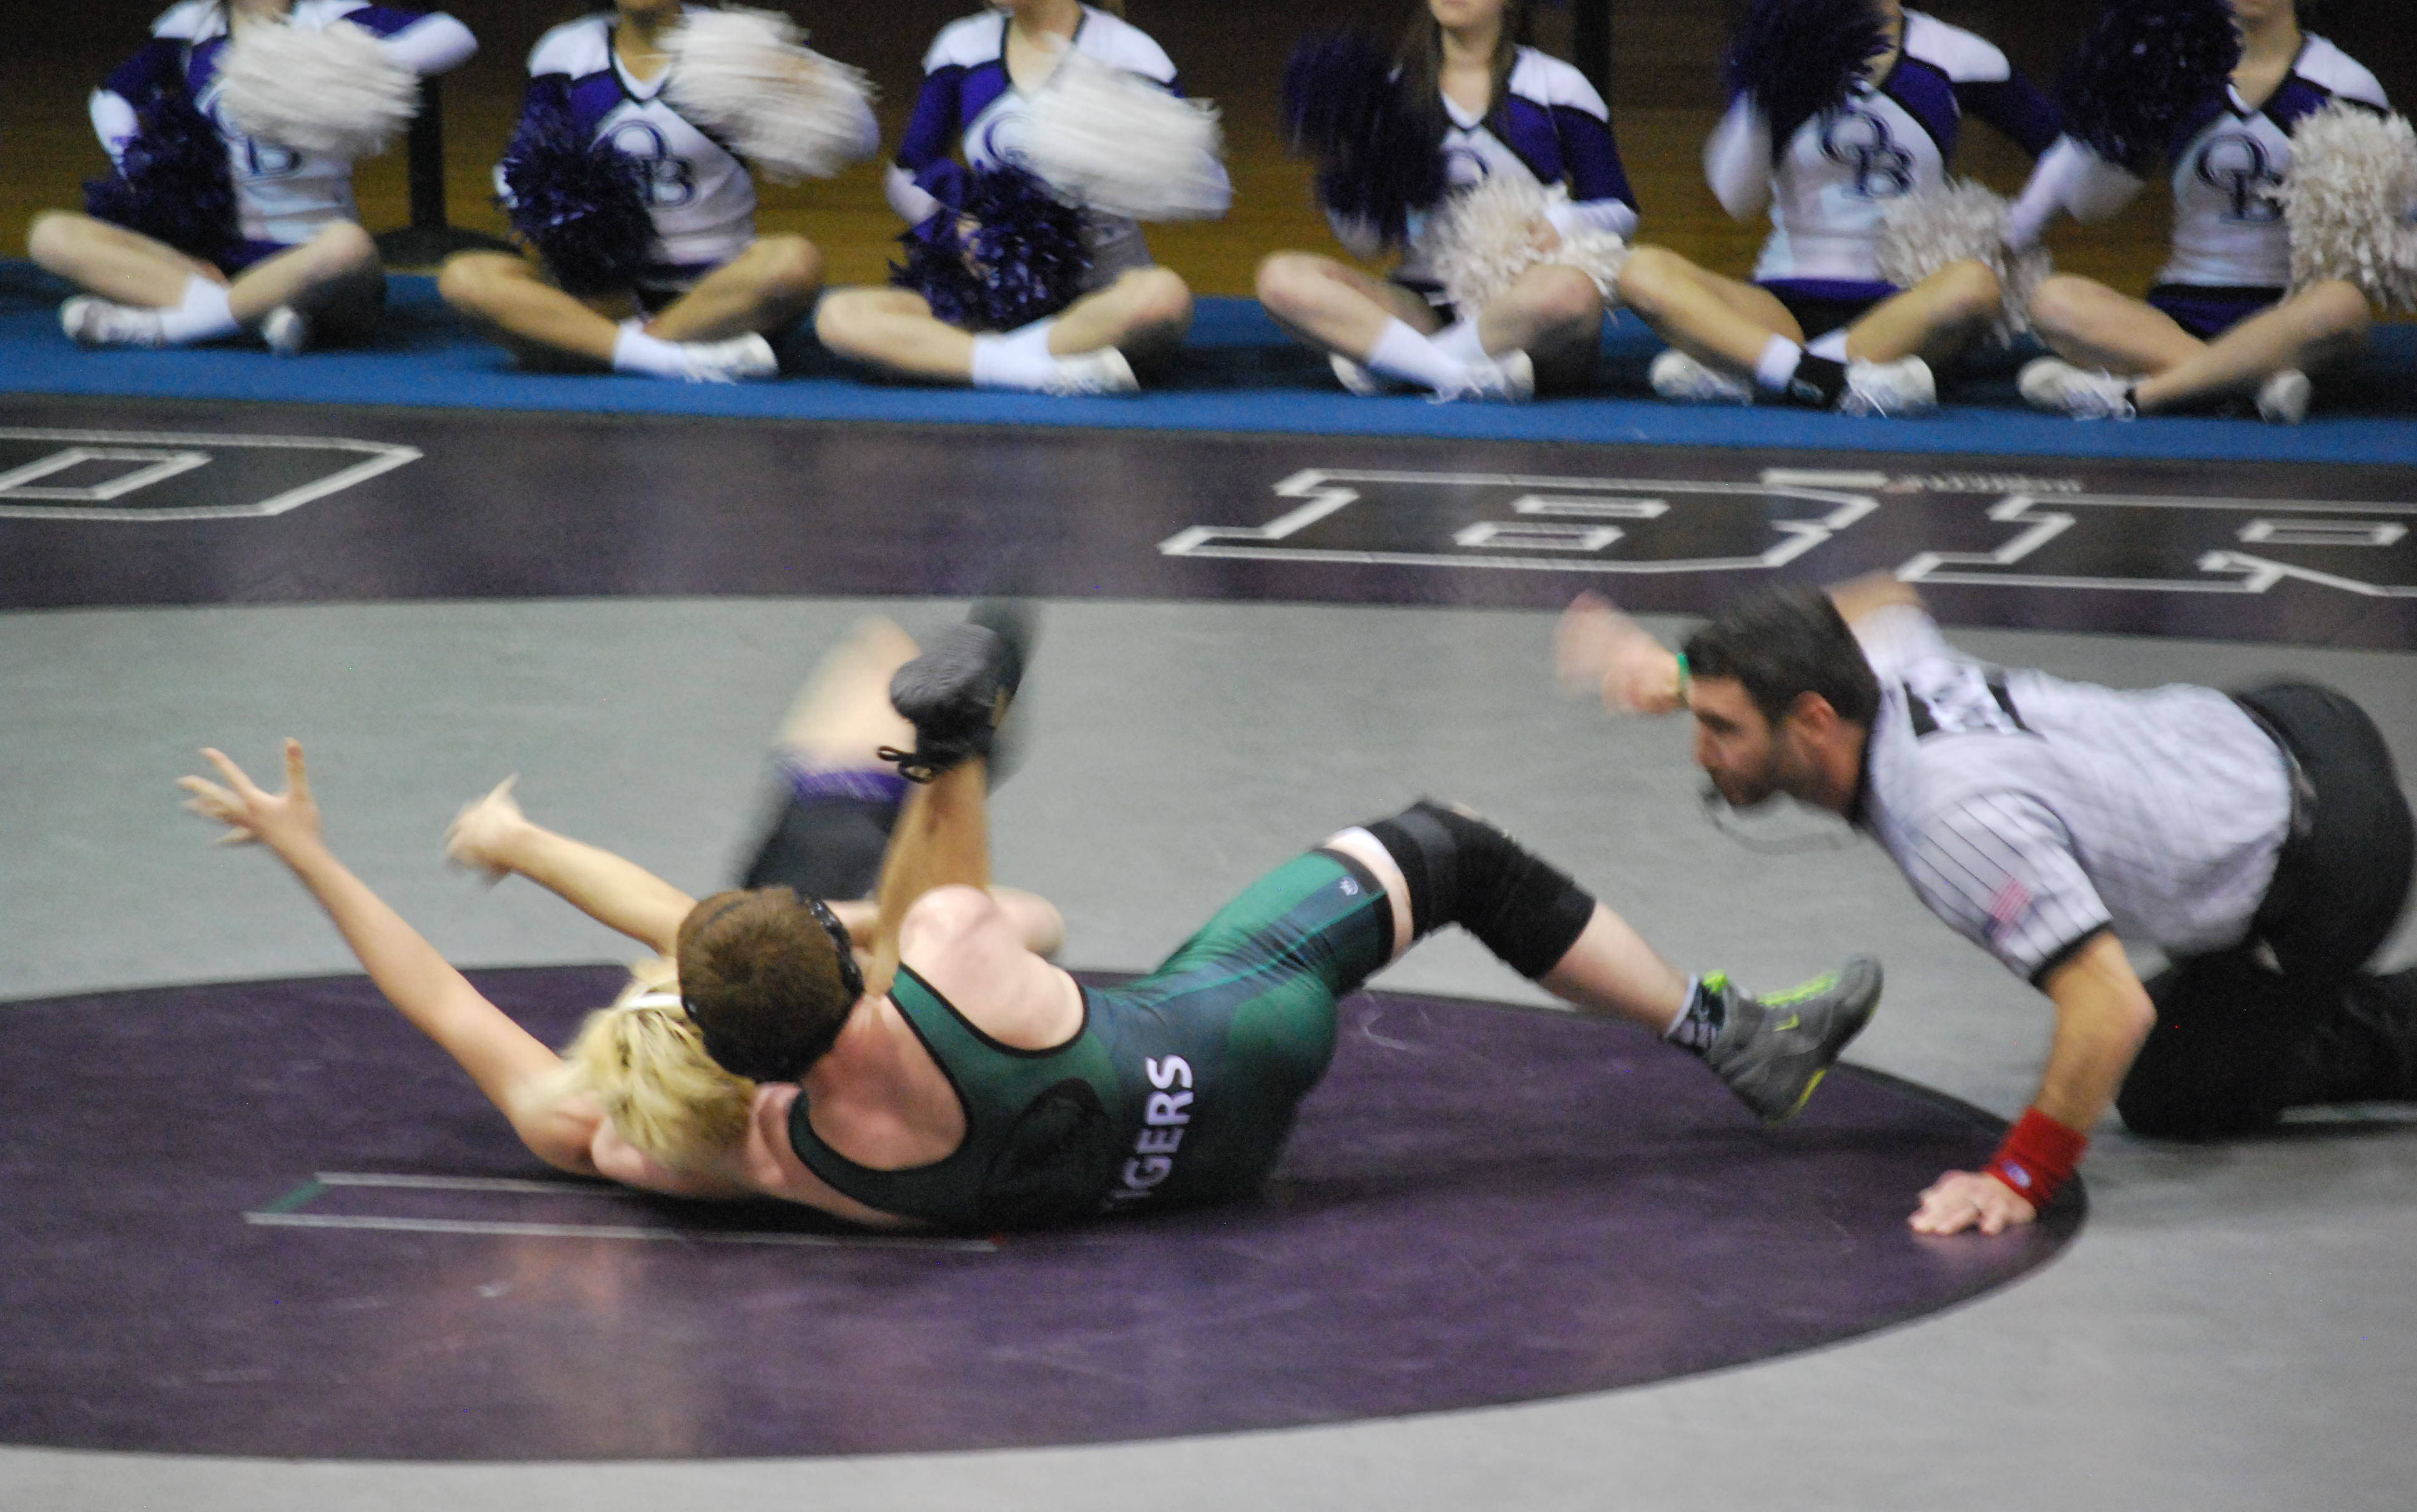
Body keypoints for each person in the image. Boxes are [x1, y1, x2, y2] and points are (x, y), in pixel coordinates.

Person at [180, 619, 1883, 1234]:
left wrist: (309, 857)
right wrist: (947, 759)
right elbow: (1013, 906)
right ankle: (1728, 1040)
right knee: (1439, 850)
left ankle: (933, 731)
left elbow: (446, 1014)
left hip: (1187, 1184)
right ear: (838, 957)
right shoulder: (938, 960)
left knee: (961, 892)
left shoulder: (688, 1151)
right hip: (1226, 1046)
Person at [1557, 578, 2417, 1239]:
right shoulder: (1874, 673)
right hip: (2295, 723)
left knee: (2168, 1090)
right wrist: (1673, 677)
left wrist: (2017, 1180)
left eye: (1722, 727)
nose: (1701, 752)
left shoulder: (1949, 821)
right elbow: (1886, 601)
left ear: (1813, 720)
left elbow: (2110, 1007)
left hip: (2335, 861)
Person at [1614, 0, 2060, 416]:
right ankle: (1829, 376)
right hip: (1783, 300)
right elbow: (1737, 199)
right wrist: (1767, 85)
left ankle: (1763, 370)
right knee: (1640, 270)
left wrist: (2014, 232)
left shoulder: (1956, 55)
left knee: (1975, 285)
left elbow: (2063, 152)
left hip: (1904, 301)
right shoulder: (1779, 50)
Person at [27, 0, 475, 355]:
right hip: (213, 264)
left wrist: (345, 64)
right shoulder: (194, 26)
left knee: (350, 248)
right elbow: (112, 96)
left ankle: (163, 328)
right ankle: (248, 313)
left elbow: (453, 36)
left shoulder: (330, 22)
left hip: (315, 267)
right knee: (53, 237)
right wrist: (130, 158)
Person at [811, 0, 1211, 396]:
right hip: (996, 298)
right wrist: (958, 231)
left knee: (1163, 298)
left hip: (1101, 298)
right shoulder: (963, 47)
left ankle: (982, 362)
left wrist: (1124, 167)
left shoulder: (1129, 53)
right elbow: (908, 171)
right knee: (839, 316)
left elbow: (1202, 183)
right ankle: (1035, 367)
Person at [2012, 0, 2387, 425]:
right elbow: (2093, 204)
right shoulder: (2168, 71)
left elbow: (2396, 214)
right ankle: (2250, 384)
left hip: (2291, 315)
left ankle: (2136, 396)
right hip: (2180, 312)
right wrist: (2115, 121)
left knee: (2344, 305)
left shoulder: (2347, 85)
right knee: (2053, 299)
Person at [437, 0, 836, 383]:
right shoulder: (565, 52)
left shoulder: (730, 47)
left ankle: (598, 348)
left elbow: (856, 140)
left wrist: (813, 88)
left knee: (794, 263)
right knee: (466, 277)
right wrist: (561, 219)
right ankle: (670, 357)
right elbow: (518, 167)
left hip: (719, 290)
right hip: (604, 293)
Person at [1253, 0, 1636, 402]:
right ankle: (1454, 372)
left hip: (1523, 307)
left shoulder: (1556, 87)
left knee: (1573, 293)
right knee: (1281, 278)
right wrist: (1347, 168)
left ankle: (1404, 364)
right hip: (1422, 306)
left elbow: (1621, 210)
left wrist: (1561, 223)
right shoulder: (1393, 91)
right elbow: (1368, 246)